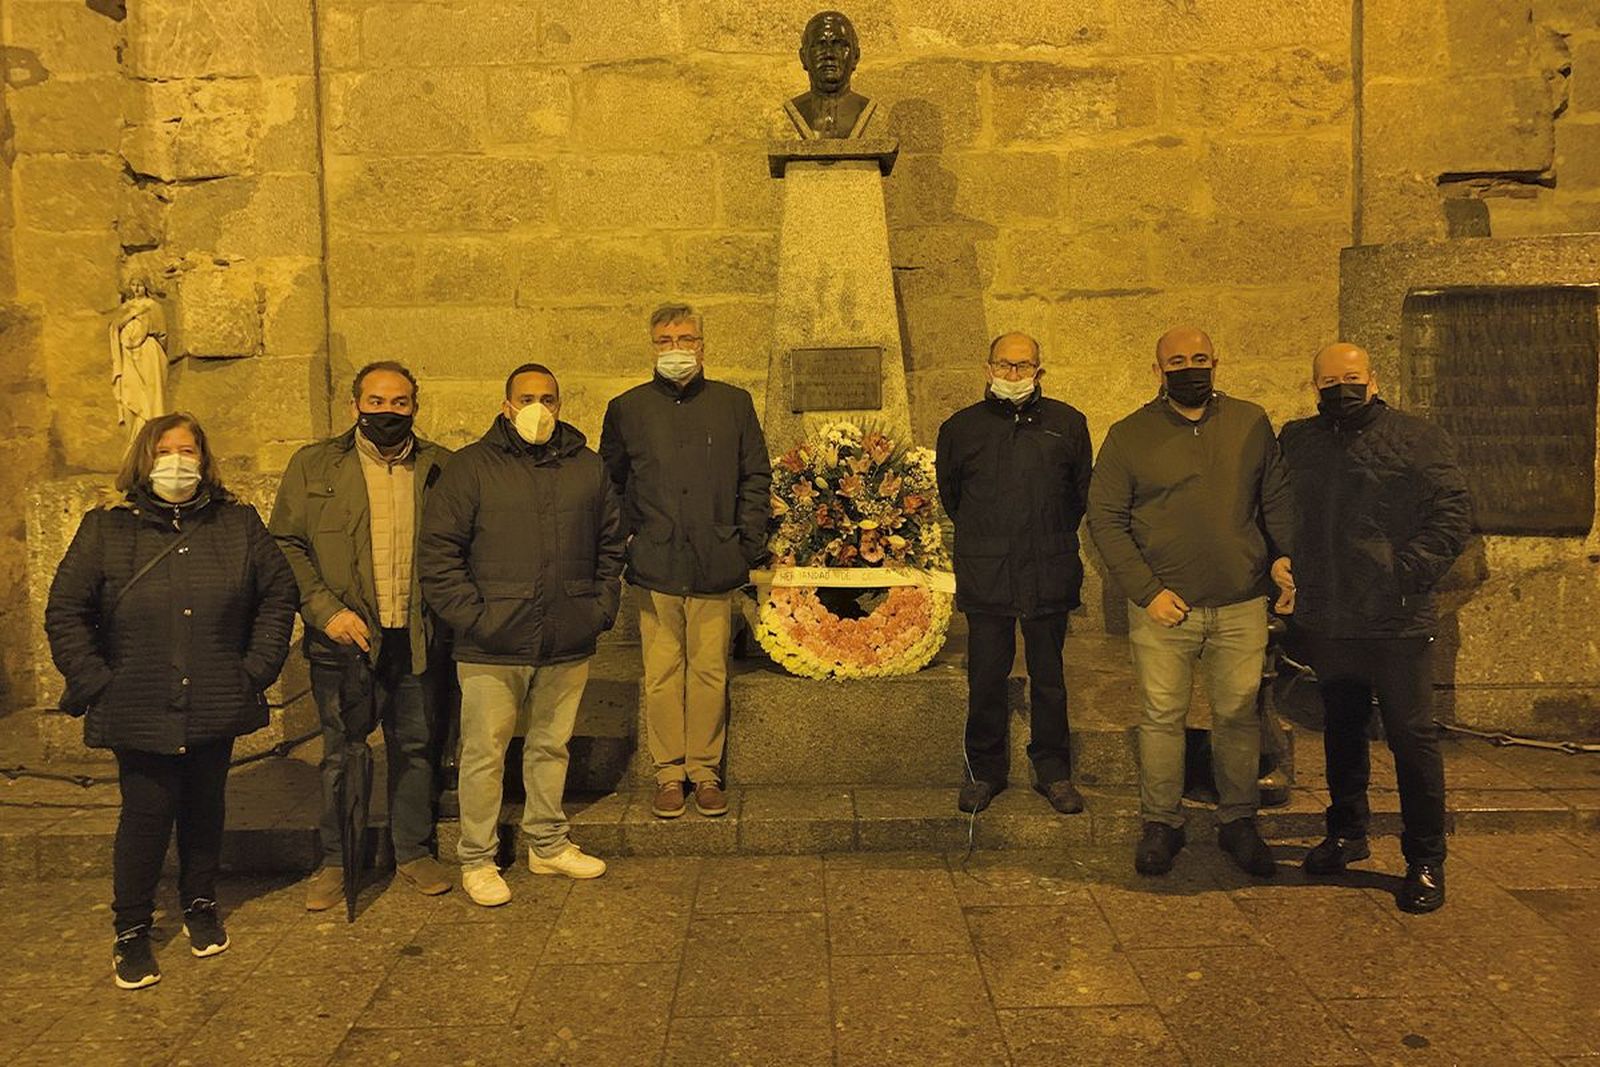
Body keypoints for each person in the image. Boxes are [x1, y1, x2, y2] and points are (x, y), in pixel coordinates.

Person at [45, 412, 297, 990]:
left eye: (188, 450)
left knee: (206, 804)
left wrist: (255, 669)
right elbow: (66, 611)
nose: (177, 461)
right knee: (147, 811)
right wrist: (96, 680)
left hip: (213, 691)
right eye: (165, 451)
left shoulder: (237, 524)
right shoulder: (106, 528)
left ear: (205, 461)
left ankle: (200, 903)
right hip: (136, 698)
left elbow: (277, 595)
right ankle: (131, 928)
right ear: (144, 458)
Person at [1087, 326, 1295, 878]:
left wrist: (1282, 559)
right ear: (1157, 371)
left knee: (1237, 717)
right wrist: (1147, 591)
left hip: (1240, 602)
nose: (1189, 368)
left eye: (1199, 358)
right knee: (1161, 717)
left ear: (1217, 362)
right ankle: (1161, 823)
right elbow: (1106, 519)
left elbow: (1273, 499)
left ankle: (1239, 821)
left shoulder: (1251, 423)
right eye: (1176, 361)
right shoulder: (1129, 436)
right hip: (1163, 607)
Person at [419, 363, 624, 905]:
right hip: (492, 640)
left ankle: (547, 842)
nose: (539, 407)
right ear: (506, 404)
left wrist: (599, 608)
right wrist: (475, 617)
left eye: (549, 398)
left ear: (561, 403)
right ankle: (478, 857)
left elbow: (611, 545)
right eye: (527, 397)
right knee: (484, 752)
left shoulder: (587, 467)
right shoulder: (470, 469)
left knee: (551, 745)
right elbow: (439, 555)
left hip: (566, 632)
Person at [1279, 342, 1472, 913]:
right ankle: (1346, 832)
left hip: (1396, 618)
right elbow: (1282, 508)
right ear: (1313, 385)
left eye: (1353, 376)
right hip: (1330, 616)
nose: (1342, 386)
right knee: (1340, 729)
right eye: (1329, 379)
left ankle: (1425, 858)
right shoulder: (1298, 440)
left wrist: (1402, 573)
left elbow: (1451, 514)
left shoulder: (1418, 438)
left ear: (1374, 378)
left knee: (1412, 739)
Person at [269, 361, 454, 911]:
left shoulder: (440, 467)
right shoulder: (314, 466)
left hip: (416, 635)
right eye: (376, 402)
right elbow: (285, 543)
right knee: (341, 753)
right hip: (346, 640)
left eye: (399, 403)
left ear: (415, 407)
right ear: (355, 406)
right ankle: (335, 861)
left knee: (417, 748)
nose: (387, 412)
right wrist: (325, 611)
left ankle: (413, 851)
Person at [599, 305, 771, 820]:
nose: (677, 347)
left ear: (703, 344)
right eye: (666, 339)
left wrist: (745, 542)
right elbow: (611, 482)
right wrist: (629, 539)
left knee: (711, 669)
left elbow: (754, 478)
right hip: (655, 562)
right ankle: (668, 773)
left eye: (686, 337)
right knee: (662, 670)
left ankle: (705, 771)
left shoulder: (733, 404)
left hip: (716, 560)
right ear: (652, 345)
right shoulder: (627, 408)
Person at [935, 332, 1093, 816]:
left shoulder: (1067, 424)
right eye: (1005, 366)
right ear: (987, 370)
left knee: (1049, 677)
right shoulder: (961, 429)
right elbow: (953, 497)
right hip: (988, 571)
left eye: (1024, 367)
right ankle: (984, 772)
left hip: (1048, 567)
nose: (1013, 375)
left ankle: (1053, 771)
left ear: (1039, 372)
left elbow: (1077, 497)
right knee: (986, 676)